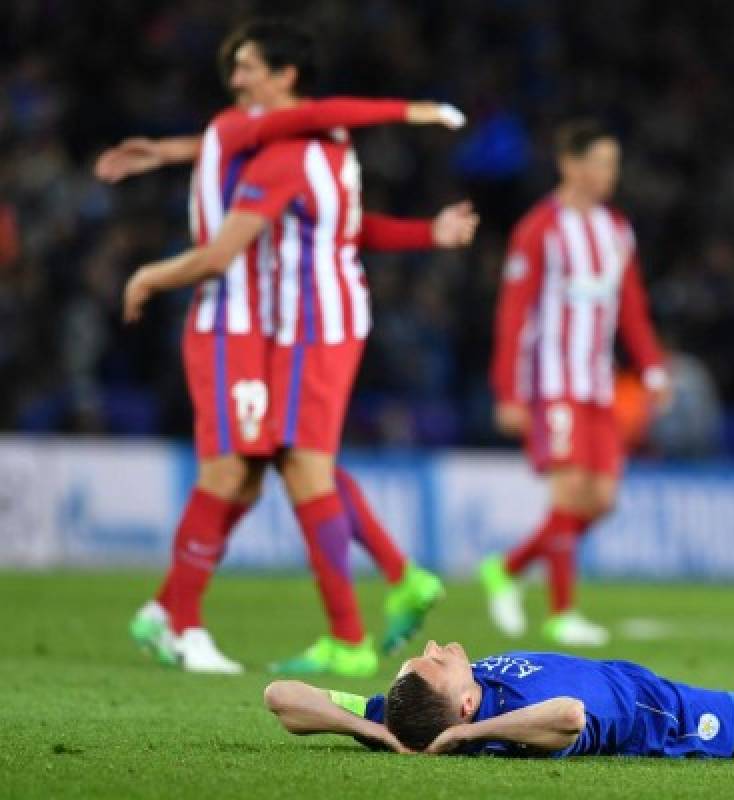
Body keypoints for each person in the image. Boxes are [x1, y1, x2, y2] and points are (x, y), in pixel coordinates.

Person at [114, 19, 476, 677]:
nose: (235, 80)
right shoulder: (322, 149)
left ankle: (334, 622)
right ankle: (186, 615)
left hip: (298, 325)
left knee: (283, 466)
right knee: (261, 471)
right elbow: (332, 207)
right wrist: (168, 153)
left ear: (287, 80)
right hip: (262, 323)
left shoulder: (291, 148)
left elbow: (249, 208)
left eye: (250, 66)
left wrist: (410, 110)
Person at [481, 120, 671, 647]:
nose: (611, 173)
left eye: (614, 163)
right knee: (569, 492)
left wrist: (651, 366)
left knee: (603, 498)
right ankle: (562, 614)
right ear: (571, 163)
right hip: (552, 383)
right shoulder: (539, 228)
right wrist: (508, 392)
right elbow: (513, 314)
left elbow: (631, 304)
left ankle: (508, 568)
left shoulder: (616, 230)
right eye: (603, 161)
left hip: (598, 384)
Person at [262, 640, 734, 763]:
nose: (435, 650)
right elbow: (570, 718)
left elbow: (281, 696)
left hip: (635, 677)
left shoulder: (397, 715)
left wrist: (382, 734)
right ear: (462, 710)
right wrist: (465, 741)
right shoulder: (499, 729)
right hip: (664, 715)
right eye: (433, 665)